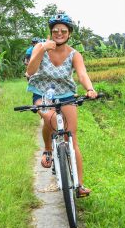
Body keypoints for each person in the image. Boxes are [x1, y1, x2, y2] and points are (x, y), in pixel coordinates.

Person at [27, 13, 97, 197]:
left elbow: (82, 74)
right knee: (49, 117)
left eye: (63, 31)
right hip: (42, 94)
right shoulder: (40, 47)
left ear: (69, 34)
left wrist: (89, 88)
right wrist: (42, 50)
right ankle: (48, 150)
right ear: (51, 32)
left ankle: (79, 185)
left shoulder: (75, 54)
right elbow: (30, 70)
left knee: (71, 138)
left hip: (66, 95)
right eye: (55, 30)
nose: (59, 33)